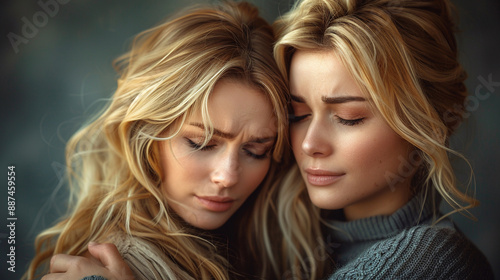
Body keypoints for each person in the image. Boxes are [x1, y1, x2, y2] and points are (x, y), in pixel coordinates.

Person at [25, 2, 325, 279]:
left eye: (256, 150)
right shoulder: (112, 265)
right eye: (201, 143)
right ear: (146, 133)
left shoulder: (275, 245)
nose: (228, 176)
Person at [272, 0, 494, 278]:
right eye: (297, 115)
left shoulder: (430, 261)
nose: (309, 144)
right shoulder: (282, 237)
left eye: (348, 117)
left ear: (425, 122)